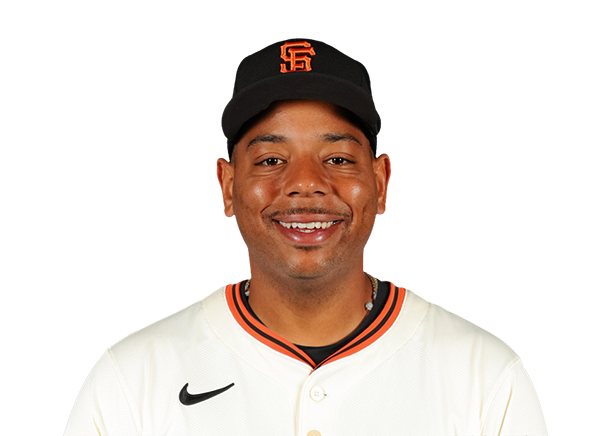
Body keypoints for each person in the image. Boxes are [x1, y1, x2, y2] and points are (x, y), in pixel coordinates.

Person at [65, 39, 548, 436]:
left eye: (337, 159)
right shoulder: (132, 380)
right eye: (271, 160)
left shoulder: (484, 377)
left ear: (380, 184)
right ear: (228, 187)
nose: (305, 183)